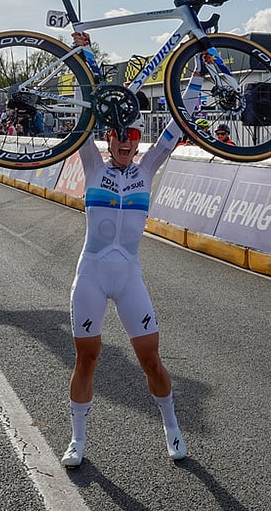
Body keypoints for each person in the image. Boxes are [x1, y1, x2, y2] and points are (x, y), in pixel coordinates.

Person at [60, 74, 202, 469]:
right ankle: (77, 439)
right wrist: (82, 54)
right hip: (91, 272)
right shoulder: (91, 163)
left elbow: (181, 123)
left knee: (150, 360)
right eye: (119, 135)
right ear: (109, 138)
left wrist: (200, 71)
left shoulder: (147, 168)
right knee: (86, 358)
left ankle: (172, 427)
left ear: (139, 141)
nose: (126, 141)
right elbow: (81, 111)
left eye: (133, 135)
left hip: (129, 278)